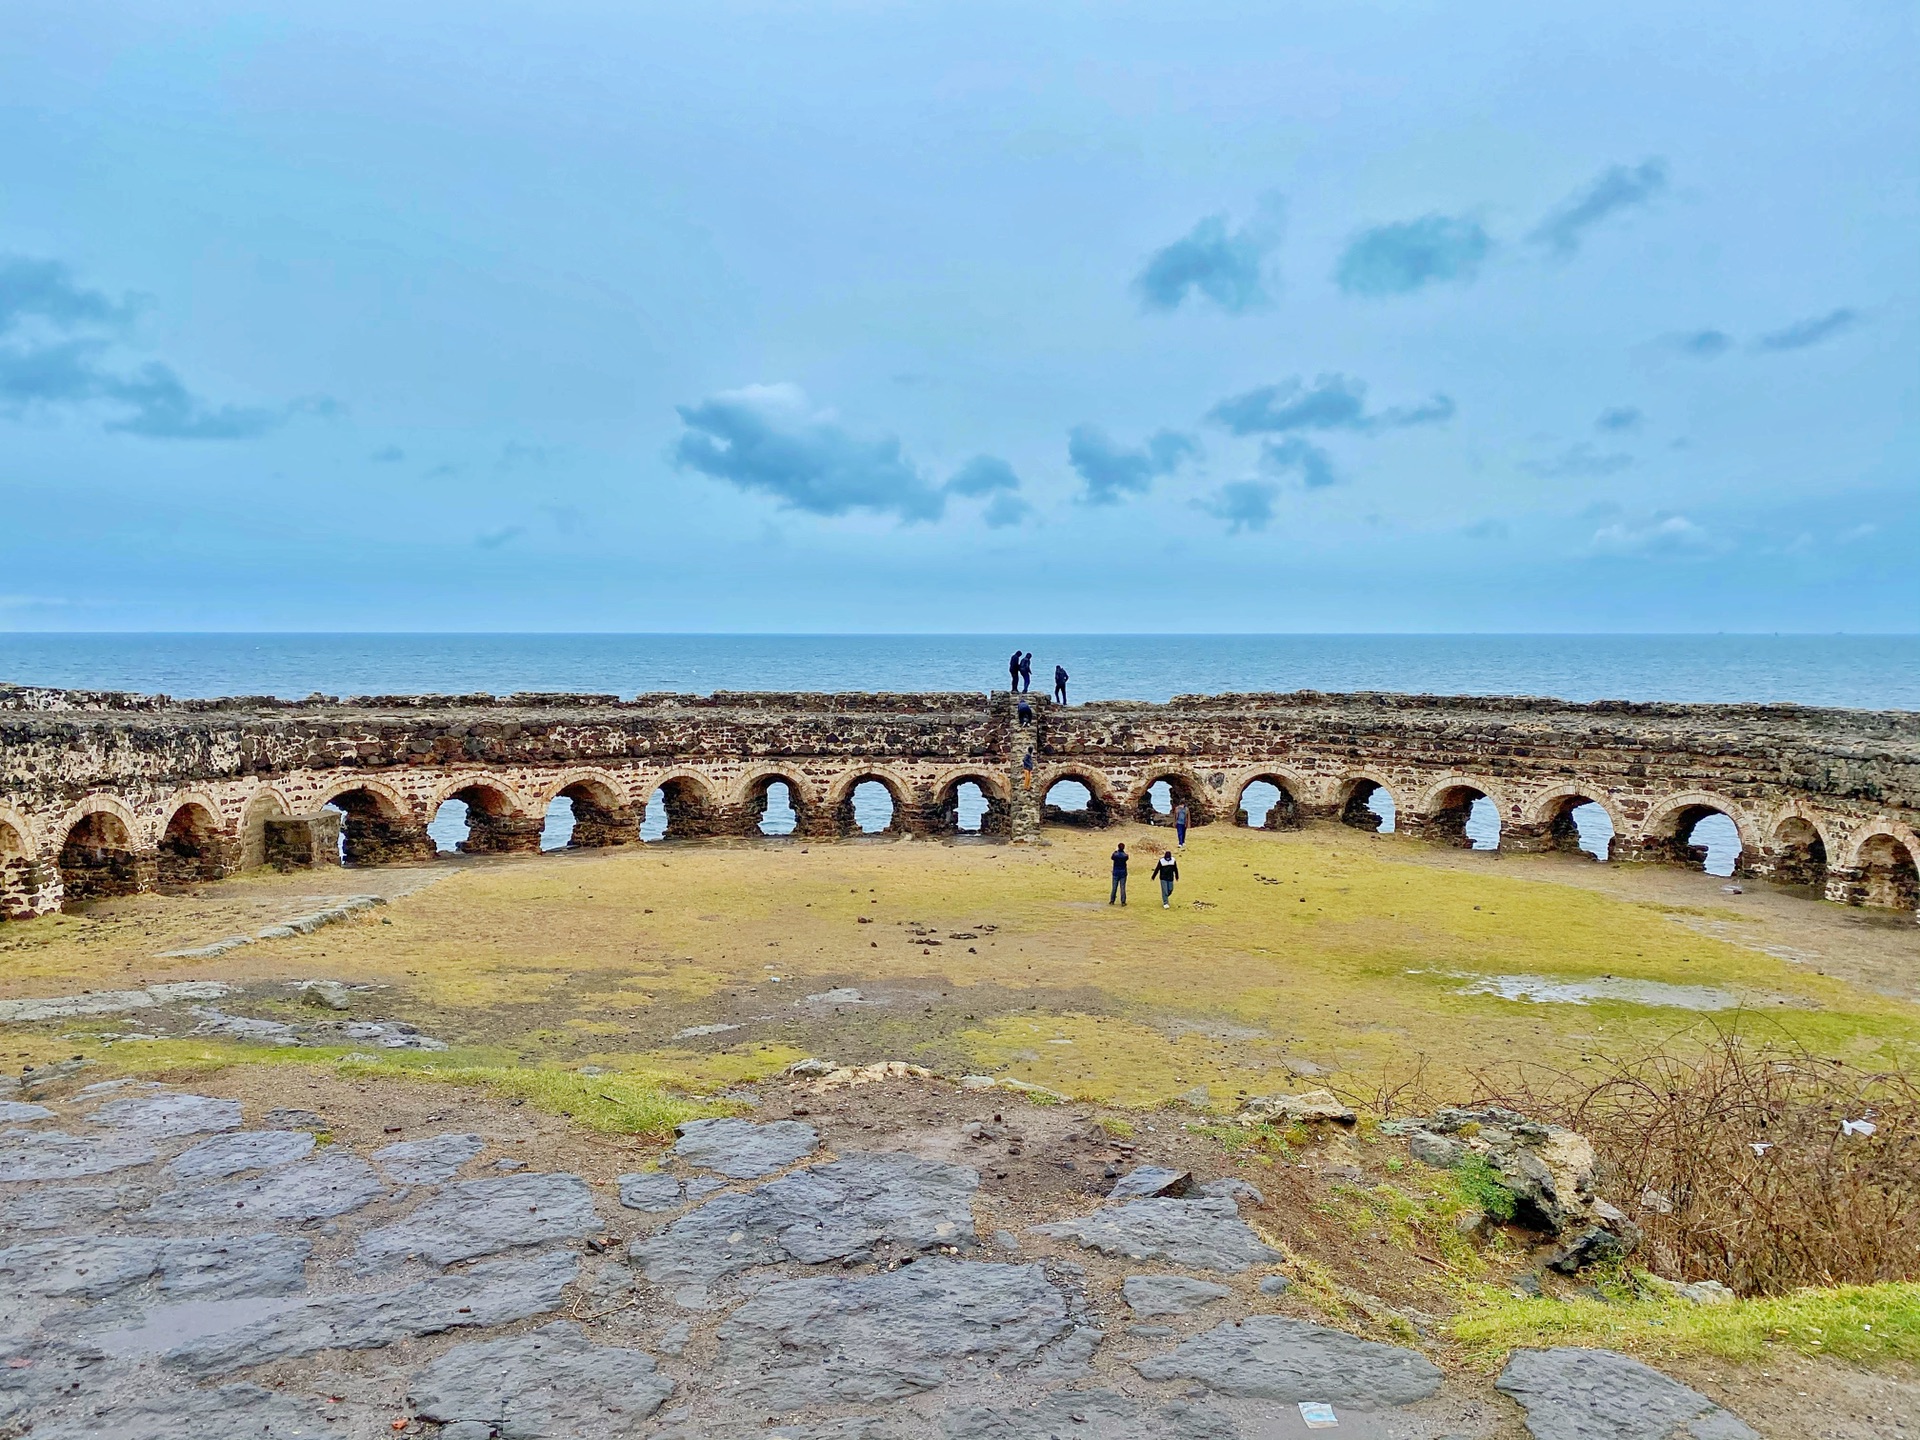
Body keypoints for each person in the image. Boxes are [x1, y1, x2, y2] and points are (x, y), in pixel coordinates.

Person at [1109, 841, 1128, 905]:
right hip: (1123, 873)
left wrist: (1115, 851)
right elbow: (1126, 858)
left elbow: (1112, 857)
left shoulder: (1115, 855)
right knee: (1122, 887)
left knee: (1114, 887)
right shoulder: (1125, 856)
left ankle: (1112, 900)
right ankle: (1123, 901)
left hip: (1116, 872)